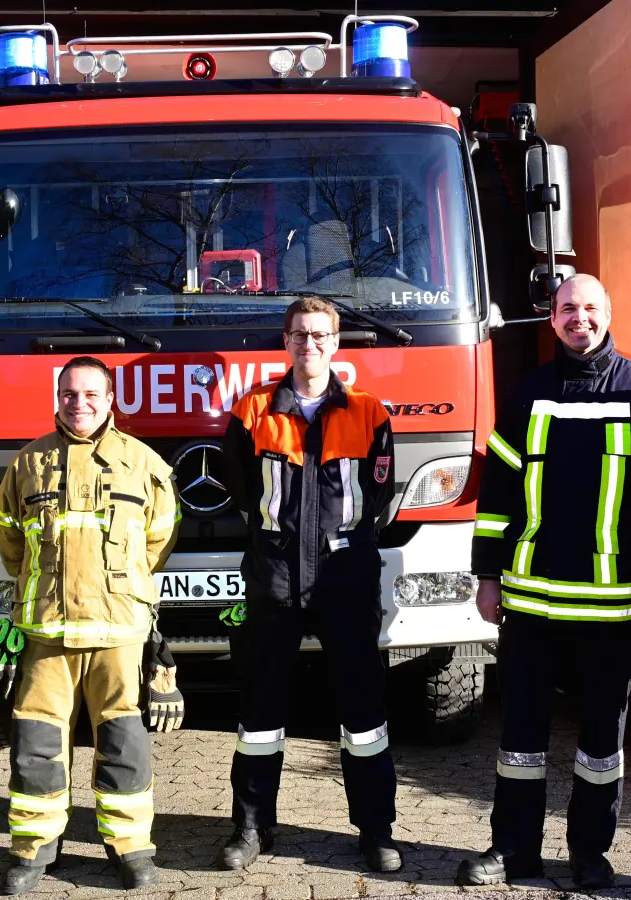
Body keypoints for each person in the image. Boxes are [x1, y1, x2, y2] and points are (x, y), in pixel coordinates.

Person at [455, 274, 631, 888]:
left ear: (607, 314)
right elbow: (498, 498)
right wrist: (486, 576)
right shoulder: (527, 395)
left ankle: (590, 853)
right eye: (567, 309)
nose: (578, 318)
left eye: (590, 308)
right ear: (553, 318)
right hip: (529, 603)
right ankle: (512, 850)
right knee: (520, 739)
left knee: (599, 743)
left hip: (610, 610)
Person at [217, 296, 401, 874]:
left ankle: (376, 831)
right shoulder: (252, 410)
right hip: (275, 570)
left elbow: (380, 492)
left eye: (320, 335)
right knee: (261, 704)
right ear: (286, 341)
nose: (310, 344)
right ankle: (251, 828)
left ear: (336, 342)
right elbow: (240, 487)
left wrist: (340, 541)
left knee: (362, 706)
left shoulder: (370, 412)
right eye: (299, 334)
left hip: (345, 571)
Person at [0, 356, 182, 895]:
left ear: (110, 399)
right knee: (37, 742)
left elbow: (159, 542)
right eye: (70, 394)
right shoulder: (27, 465)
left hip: (118, 630)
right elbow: (8, 539)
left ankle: (131, 849)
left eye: (91, 394)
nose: (80, 403)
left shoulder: (144, 465)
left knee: (123, 742)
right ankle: (32, 850)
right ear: (57, 398)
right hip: (48, 630)